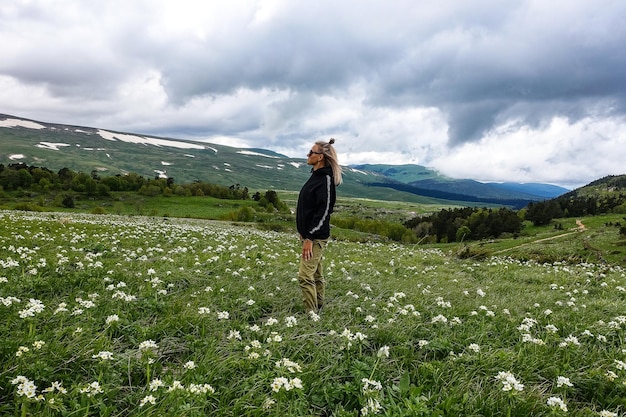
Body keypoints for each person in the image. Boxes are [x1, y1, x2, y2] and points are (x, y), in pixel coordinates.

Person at [296, 138, 342, 314]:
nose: (308, 155)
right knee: (315, 274)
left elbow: (324, 211)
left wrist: (310, 237)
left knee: (305, 275)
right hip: (309, 235)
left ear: (321, 157)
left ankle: (311, 314)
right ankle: (319, 306)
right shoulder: (316, 176)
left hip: (315, 237)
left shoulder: (325, 180)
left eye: (311, 152)